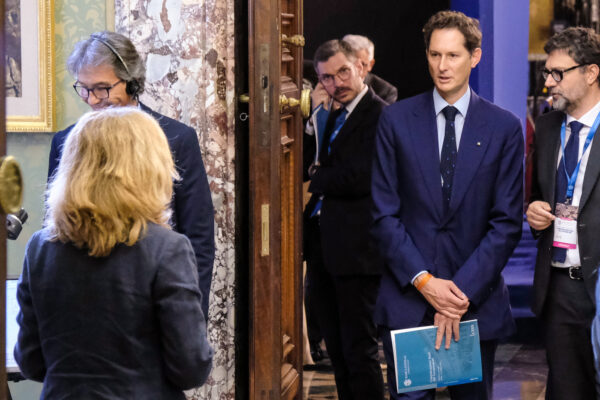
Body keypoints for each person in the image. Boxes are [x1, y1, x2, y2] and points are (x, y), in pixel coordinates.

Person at [371, 11, 523, 399]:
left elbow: (506, 223)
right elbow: (383, 214)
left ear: (475, 57)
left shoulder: (504, 128)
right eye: (435, 54)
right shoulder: (395, 120)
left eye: (453, 55)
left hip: (473, 304)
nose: (442, 66)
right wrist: (425, 282)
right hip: (409, 299)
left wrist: (456, 295)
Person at [15, 108, 213, 398]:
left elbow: (30, 362)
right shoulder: (167, 248)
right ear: (149, 167)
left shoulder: (40, 248)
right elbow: (190, 367)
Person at [47, 31, 215, 318]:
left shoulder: (177, 138)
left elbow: (198, 237)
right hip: (86, 306)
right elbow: (54, 228)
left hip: (157, 301)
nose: (92, 99)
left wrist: (192, 316)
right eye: (84, 88)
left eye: (102, 88)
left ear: (133, 82)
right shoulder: (65, 142)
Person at [303, 39, 386, 399]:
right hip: (323, 245)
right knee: (336, 347)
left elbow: (359, 177)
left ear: (361, 68)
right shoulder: (330, 113)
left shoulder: (380, 114)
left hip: (358, 250)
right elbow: (315, 158)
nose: (337, 83)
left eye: (343, 72)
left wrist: (315, 177)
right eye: (327, 78)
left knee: (358, 348)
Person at [526, 27, 600, 400]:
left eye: (559, 73)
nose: (549, 83)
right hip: (560, 287)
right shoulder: (547, 126)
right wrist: (534, 212)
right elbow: (541, 195)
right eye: (547, 73)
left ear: (590, 73)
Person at [343, 34, 398, 104]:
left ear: (371, 65)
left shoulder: (386, 92)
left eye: (362, 65)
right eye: (349, 65)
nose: (354, 72)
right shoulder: (329, 83)